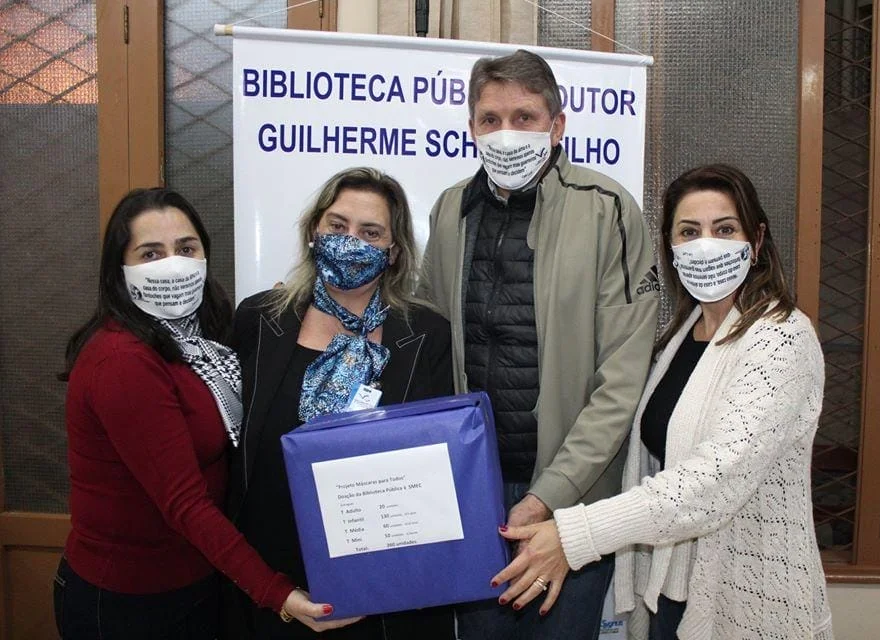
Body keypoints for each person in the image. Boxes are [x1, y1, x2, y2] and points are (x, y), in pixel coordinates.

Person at [492, 164, 834, 640]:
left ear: (756, 242)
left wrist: (576, 536)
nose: (705, 244)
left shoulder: (781, 338)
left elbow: (712, 482)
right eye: (689, 232)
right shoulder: (681, 337)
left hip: (746, 605)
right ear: (671, 250)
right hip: (672, 596)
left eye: (725, 229)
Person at [419, 49, 660, 639]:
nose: (506, 134)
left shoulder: (609, 211)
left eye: (525, 117)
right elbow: (425, 340)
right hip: (469, 492)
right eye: (490, 118)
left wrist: (549, 495)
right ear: (471, 127)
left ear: (557, 125)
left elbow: (622, 379)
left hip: (571, 497)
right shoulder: (451, 209)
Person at [55, 188, 353, 639]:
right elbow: (185, 503)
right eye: (151, 253)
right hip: (129, 601)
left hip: (196, 581)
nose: (173, 264)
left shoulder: (200, 340)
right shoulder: (123, 360)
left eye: (186, 249)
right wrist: (279, 595)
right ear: (120, 270)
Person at [227, 167, 456, 640]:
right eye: (337, 225)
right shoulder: (257, 320)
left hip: (387, 592)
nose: (350, 240)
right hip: (273, 586)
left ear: (393, 252)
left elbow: (439, 469)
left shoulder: (426, 337)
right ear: (314, 231)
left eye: (370, 232)